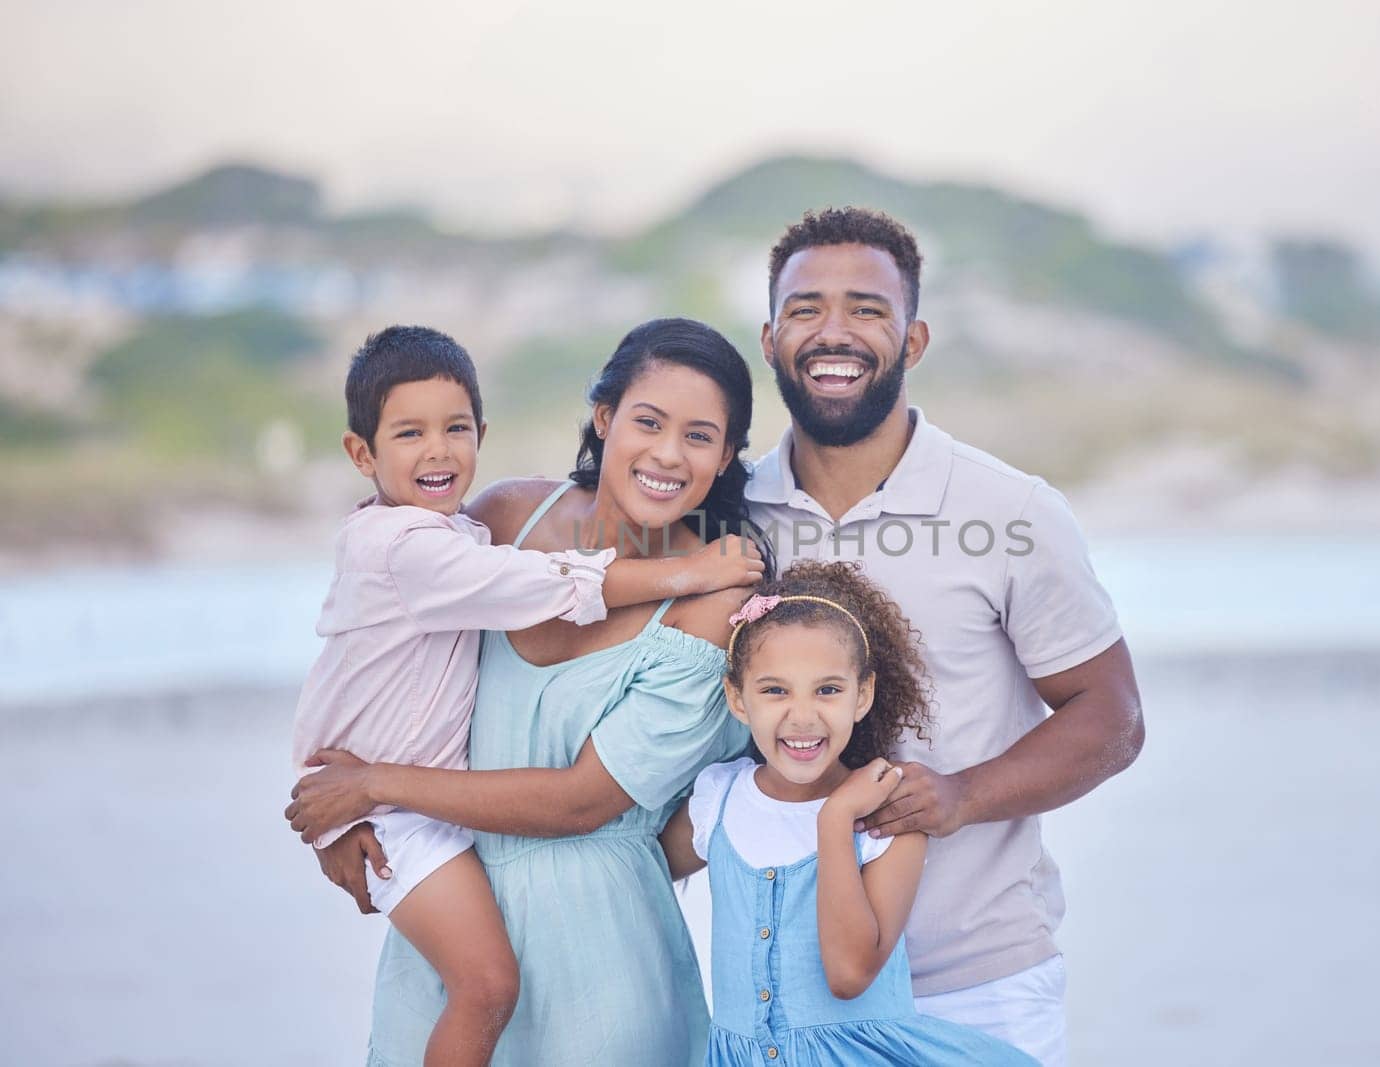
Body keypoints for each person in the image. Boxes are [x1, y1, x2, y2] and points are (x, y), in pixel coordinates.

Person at [286, 318, 767, 1066]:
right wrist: (336, 813)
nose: (669, 453)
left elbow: (581, 801)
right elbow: (377, 648)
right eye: (647, 421)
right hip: (452, 932)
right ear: (604, 418)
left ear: (727, 455)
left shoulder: (709, 605)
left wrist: (374, 785)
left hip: (603, 957)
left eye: (700, 436)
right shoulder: (507, 518)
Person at [744, 208, 1145, 1064]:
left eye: (867, 308)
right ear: (772, 338)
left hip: (979, 984)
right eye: (806, 308)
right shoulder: (729, 513)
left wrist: (962, 794)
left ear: (914, 339)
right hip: (789, 995)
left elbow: (1112, 716)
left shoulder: (1010, 510)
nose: (835, 331)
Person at [659, 559, 1037, 1065]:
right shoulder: (718, 800)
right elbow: (639, 876)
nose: (803, 716)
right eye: (775, 690)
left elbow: (848, 974)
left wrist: (835, 821)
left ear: (863, 696)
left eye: (828, 690)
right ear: (738, 699)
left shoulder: (888, 820)